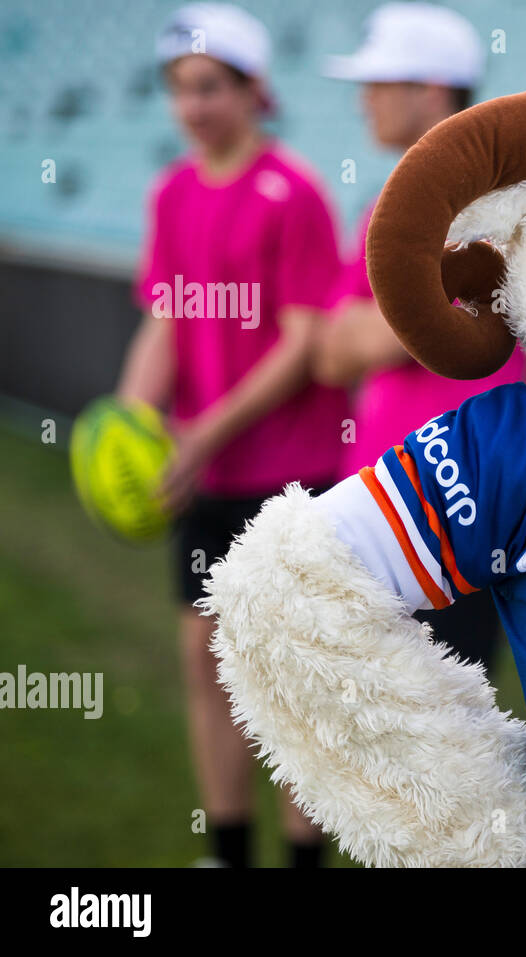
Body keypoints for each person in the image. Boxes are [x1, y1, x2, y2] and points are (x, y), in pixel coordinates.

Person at [116, 3, 345, 867]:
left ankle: (302, 855)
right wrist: (133, 418)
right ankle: (229, 851)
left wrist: (204, 431)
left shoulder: (295, 193)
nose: (193, 107)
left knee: (288, 678)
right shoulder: (171, 192)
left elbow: (302, 343)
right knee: (204, 660)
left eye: (210, 87)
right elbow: (166, 321)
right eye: (179, 90)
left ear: (255, 90)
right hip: (203, 478)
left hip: (291, 474)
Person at [317, 3, 526, 668]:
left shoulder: (497, 203)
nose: (364, 103)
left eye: (379, 85)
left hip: (454, 508)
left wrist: (395, 323)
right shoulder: (392, 199)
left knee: (433, 746)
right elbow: (331, 351)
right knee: (334, 730)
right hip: (375, 499)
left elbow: (454, 322)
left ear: (430, 91)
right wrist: (428, 312)